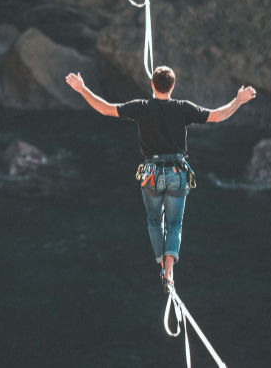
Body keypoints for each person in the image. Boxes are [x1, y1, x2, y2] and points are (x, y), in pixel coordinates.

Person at [65, 66, 256, 291]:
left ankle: (161, 263)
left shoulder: (141, 108)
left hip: (151, 174)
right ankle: (169, 272)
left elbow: (106, 109)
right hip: (177, 172)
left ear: (152, 85)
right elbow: (216, 116)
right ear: (173, 86)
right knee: (174, 225)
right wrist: (238, 101)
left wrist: (82, 89)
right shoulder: (183, 108)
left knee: (155, 221)